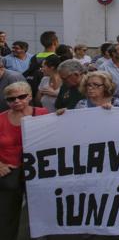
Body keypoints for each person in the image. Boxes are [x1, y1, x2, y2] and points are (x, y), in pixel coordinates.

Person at [0, 81, 48, 240]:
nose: (16, 101)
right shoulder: (0, 119)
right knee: (7, 215)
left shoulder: (43, 114)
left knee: (39, 213)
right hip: (9, 172)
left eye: (21, 97)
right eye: (11, 99)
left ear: (29, 96)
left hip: (38, 171)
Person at [23, 31, 58, 98]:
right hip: (48, 90)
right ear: (55, 42)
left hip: (33, 89)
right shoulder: (55, 59)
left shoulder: (34, 57)